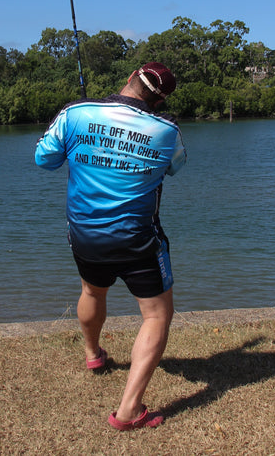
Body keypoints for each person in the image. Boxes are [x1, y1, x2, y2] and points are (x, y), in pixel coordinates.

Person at [34, 62, 186, 430]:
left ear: (131, 76)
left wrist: (83, 144)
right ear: (161, 98)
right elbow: (175, 167)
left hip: (85, 234)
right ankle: (129, 410)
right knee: (156, 315)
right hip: (138, 239)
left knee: (92, 290)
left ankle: (93, 354)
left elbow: (44, 159)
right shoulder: (166, 131)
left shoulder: (75, 113)